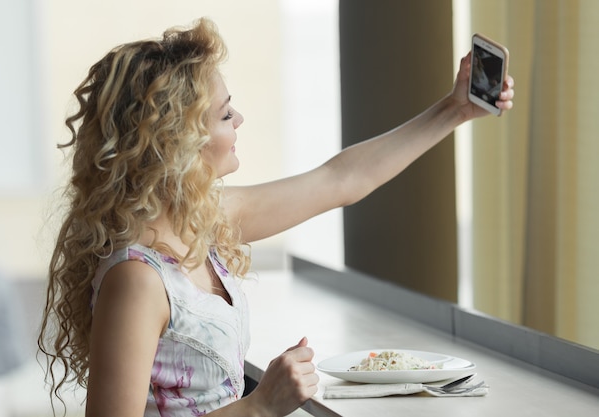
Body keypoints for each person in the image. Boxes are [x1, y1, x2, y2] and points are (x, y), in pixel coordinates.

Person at [37, 17, 514, 417]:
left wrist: (454, 110)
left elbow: (339, 180)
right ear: (176, 143)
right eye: (224, 115)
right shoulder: (136, 280)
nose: (239, 120)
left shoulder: (202, 221)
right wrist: (259, 405)